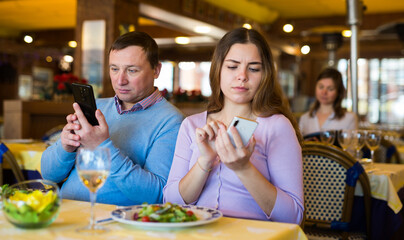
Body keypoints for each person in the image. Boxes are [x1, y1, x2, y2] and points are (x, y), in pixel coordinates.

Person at [163, 28, 304, 224]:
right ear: (218, 69)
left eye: (254, 68)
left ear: (265, 75)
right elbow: (170, 203)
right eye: (232, 66)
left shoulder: (277, 127)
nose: (242, 76)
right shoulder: (192, 125)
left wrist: (243, 168)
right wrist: (205, 162)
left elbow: (293, 217)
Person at [41, 31, 184, 206]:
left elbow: (156, 194)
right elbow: (48, 174)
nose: (120, 80)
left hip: (114, 223)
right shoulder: (97, 107)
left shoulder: (172, 122)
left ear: (156, 70)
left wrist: (101, 147)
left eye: (132, 70)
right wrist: (65, 147)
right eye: (114, 69)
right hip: (66, 213)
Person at [299, 67, 358, 137]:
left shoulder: (349, 118)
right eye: (321, 87)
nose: (324, 92)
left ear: (338, 92)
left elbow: (351, 147)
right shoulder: (305, 118)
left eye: (330, 89)